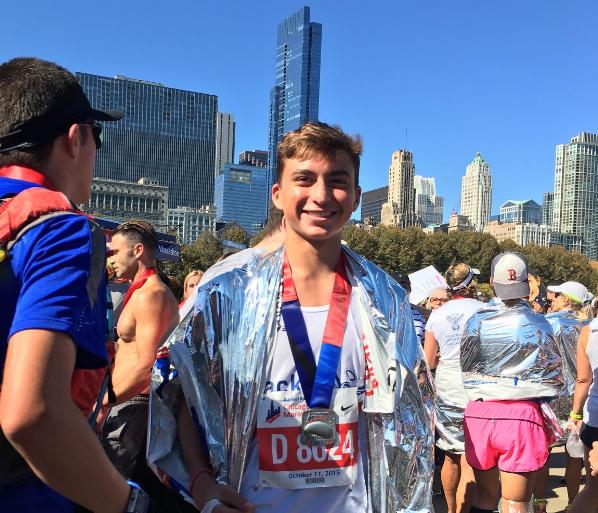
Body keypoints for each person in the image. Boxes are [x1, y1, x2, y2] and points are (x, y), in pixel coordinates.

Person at [151, 122, 434, 513]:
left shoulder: (385, 300)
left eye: (337, 181)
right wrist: (200, 482)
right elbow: (183, 395)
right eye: (305, 179)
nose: (321, 195)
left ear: (354, 196)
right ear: (278, 195)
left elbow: (409, 418)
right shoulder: (228, 293)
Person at [0, 57, 144, 512]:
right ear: (76, 136)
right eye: (96, 136)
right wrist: (129, 505)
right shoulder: (58, 228)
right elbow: (33, 414)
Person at [461, 252, 563, 513]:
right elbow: (554, 378)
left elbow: (466, 367)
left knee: (484, 495)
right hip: (520, 416)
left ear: (493, 280)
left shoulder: (475, 321)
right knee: (515, 501)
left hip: (481, 413)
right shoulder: (540, 323)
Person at [101, 220, 180, 509]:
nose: (111, 259)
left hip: (135, 407)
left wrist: (106, 402)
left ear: (137, 250)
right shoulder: (142, 291)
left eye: (115, 252)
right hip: (129, 406)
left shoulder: (151, 294)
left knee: (110, 495)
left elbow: (148, 367)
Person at [423, 263, 485, 513]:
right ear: (471, 284)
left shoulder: (436, 315)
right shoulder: (485, 310)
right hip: (477, 386)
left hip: (447, 384)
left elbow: (428, 361)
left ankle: (450, 510)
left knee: (450, 455)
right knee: (471, 458)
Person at [532, 281, 592, 512]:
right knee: (575, 454)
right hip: (581, 394)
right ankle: (572, 504)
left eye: (556, 295)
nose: (552, 299)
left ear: (567, 299)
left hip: (552, 394)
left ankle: (539, 502)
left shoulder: (548, 322)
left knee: (543, 451)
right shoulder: (589, 326)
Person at [569, 318, 598, 512]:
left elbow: (583, 379)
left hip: (594, 417)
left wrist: (575, 415)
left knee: (594, 488)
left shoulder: (589, 330)